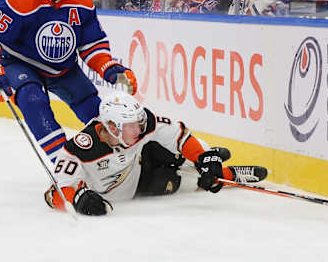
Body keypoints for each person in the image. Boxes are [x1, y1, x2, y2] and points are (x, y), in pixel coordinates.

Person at [0, 0, 138, 163]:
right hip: (20, 62)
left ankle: (120, 158)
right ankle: (63, 161)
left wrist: (109, 69)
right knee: (31, 98)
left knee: (93, 107)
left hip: (63, 68)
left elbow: (92, 45)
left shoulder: (81, 1)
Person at [44, 90, 268, 216]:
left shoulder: (141, 127)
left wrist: (204, 157)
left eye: (139, 123)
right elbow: (54, 193)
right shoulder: (80, 148)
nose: (139, 129)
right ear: (112, 126)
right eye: (132, 125)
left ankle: (208, 160)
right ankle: (229, 175)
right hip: (138, 185)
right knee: (180, 182)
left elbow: (179, 135)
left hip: (144, 156)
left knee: (168, 149)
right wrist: (79, 199)